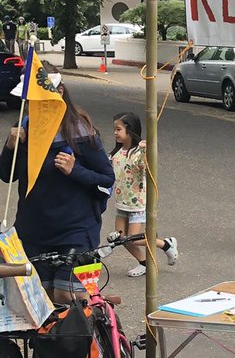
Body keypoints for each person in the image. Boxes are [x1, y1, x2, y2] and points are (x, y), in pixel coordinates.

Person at [0, 70, 114, 304]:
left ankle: (99, 321)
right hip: (32, 233)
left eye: (39, 99)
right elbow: (5, 175)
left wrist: (75, 170)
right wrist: (10, 147)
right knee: (39, 303)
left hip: (77, 232)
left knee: (70, 297)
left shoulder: (81, 131)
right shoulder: (23, 127)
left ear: (59, 93)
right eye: (29, 100)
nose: (32, 106)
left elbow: (106, 179)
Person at [109, 112, 178, 277]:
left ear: (130, 130)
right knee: (119, 238)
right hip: (121, 203)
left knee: (132, 239)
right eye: (115, 129)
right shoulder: (115, 153)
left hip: (137, 204)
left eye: (118, 129)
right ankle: (144, 262)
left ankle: (165, 244)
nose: (115, 133)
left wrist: (145, 151)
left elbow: (144, 167)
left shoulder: (139, 153)